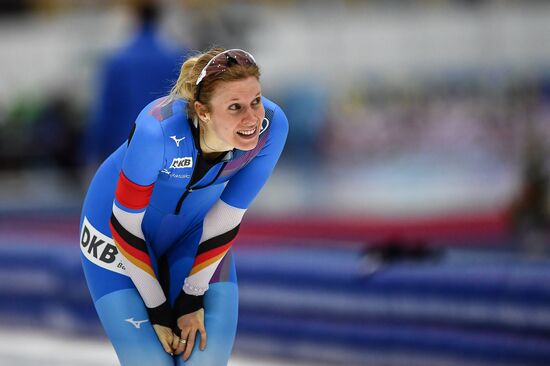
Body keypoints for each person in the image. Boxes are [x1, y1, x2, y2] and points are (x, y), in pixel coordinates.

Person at [79, 48, 288, 365]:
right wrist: (158, 309)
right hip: (114, 232)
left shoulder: (271, 128)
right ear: (203, 111)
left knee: (201, 361)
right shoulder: (156, 132)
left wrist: (192, 295)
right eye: (235, 107)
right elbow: (124, 226)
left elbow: (227, 216)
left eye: (256, 101)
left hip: (195, 234)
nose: (252, 119)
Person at [84, 0, 190, 166]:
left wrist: (93, 152)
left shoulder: (118, 62)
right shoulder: (179, 59)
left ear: (134, 17)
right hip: (169, 152)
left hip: (125, 151)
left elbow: (106, 113)